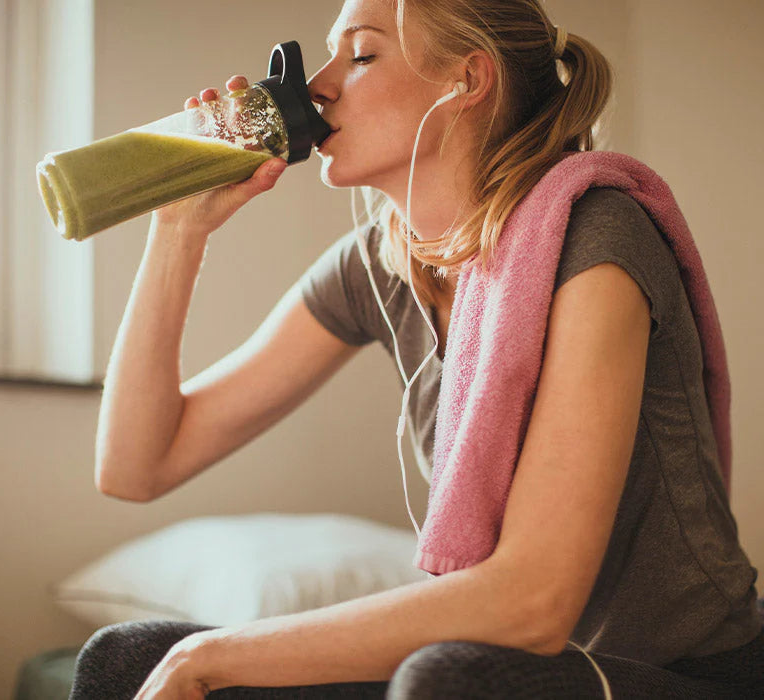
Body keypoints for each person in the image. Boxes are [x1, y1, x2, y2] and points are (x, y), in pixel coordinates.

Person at [69, 0, 763, 698]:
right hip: (508, 664)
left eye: (361, 55)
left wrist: (211, 658)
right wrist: (178, 229)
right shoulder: (377, 265)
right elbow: (136, 466)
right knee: (128, 657)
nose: (319, 86)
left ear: (467, 80)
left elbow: (533, 602)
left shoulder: (594, 234)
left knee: (449, 678)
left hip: (683, 674)